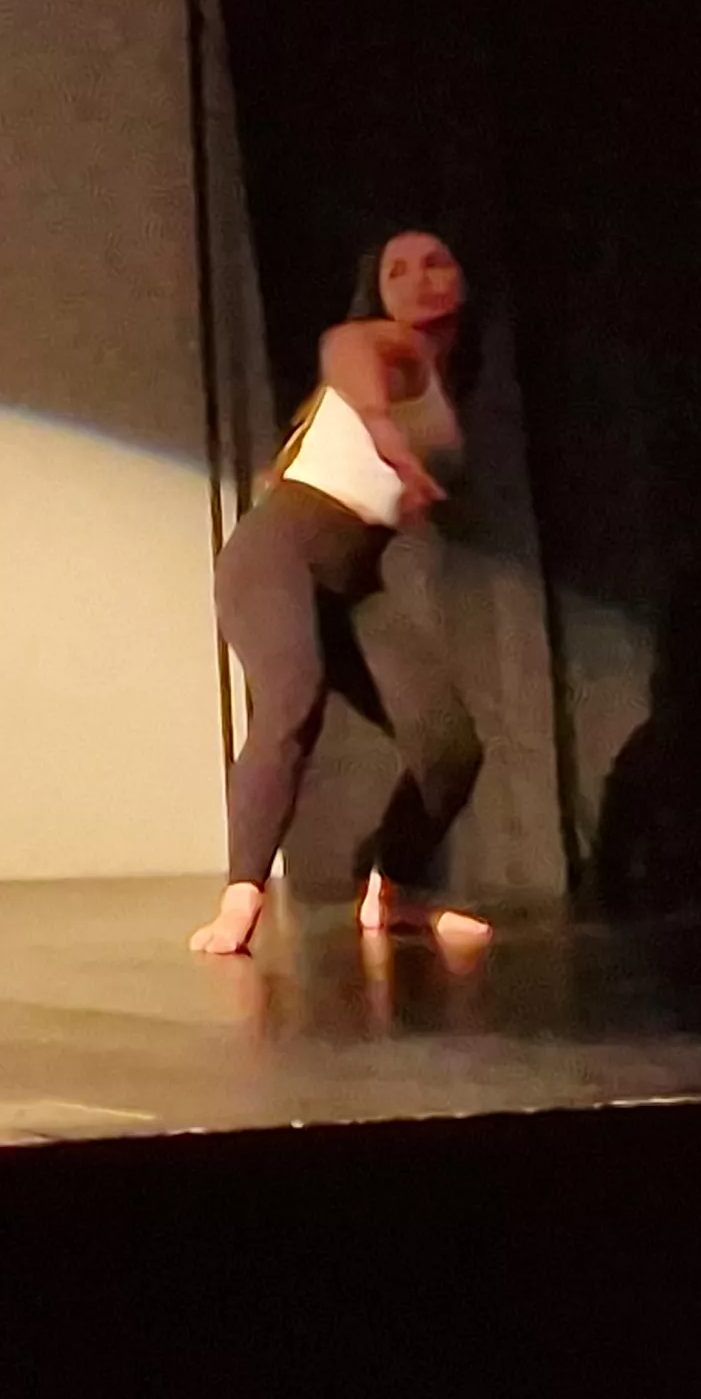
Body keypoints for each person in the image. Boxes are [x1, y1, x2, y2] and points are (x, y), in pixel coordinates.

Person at [190, 229, 490, 957]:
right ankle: (241, 899)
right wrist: (385, 435)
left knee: (450, 747)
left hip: (356, 579)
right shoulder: (384, 345)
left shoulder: (449, 383)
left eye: (436, 263)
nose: (419, 279)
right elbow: (343, 352)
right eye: (398, 270)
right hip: (278, 552)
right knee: (294, 697)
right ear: (380, 293)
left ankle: (393, 891)